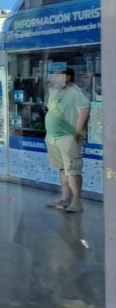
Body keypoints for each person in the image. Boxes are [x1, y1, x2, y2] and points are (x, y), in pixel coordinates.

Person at [45, 67, 90, 213]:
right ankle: (65, 198)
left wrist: (77, 133)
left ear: (68, 77)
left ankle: (76, 202)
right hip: (53, 137)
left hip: (68, 138)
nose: (55, 79)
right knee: (62, 168)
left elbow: (84, 112)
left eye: (58, 76)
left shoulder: (76, 93)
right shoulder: (56, 91)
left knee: (73, 170)